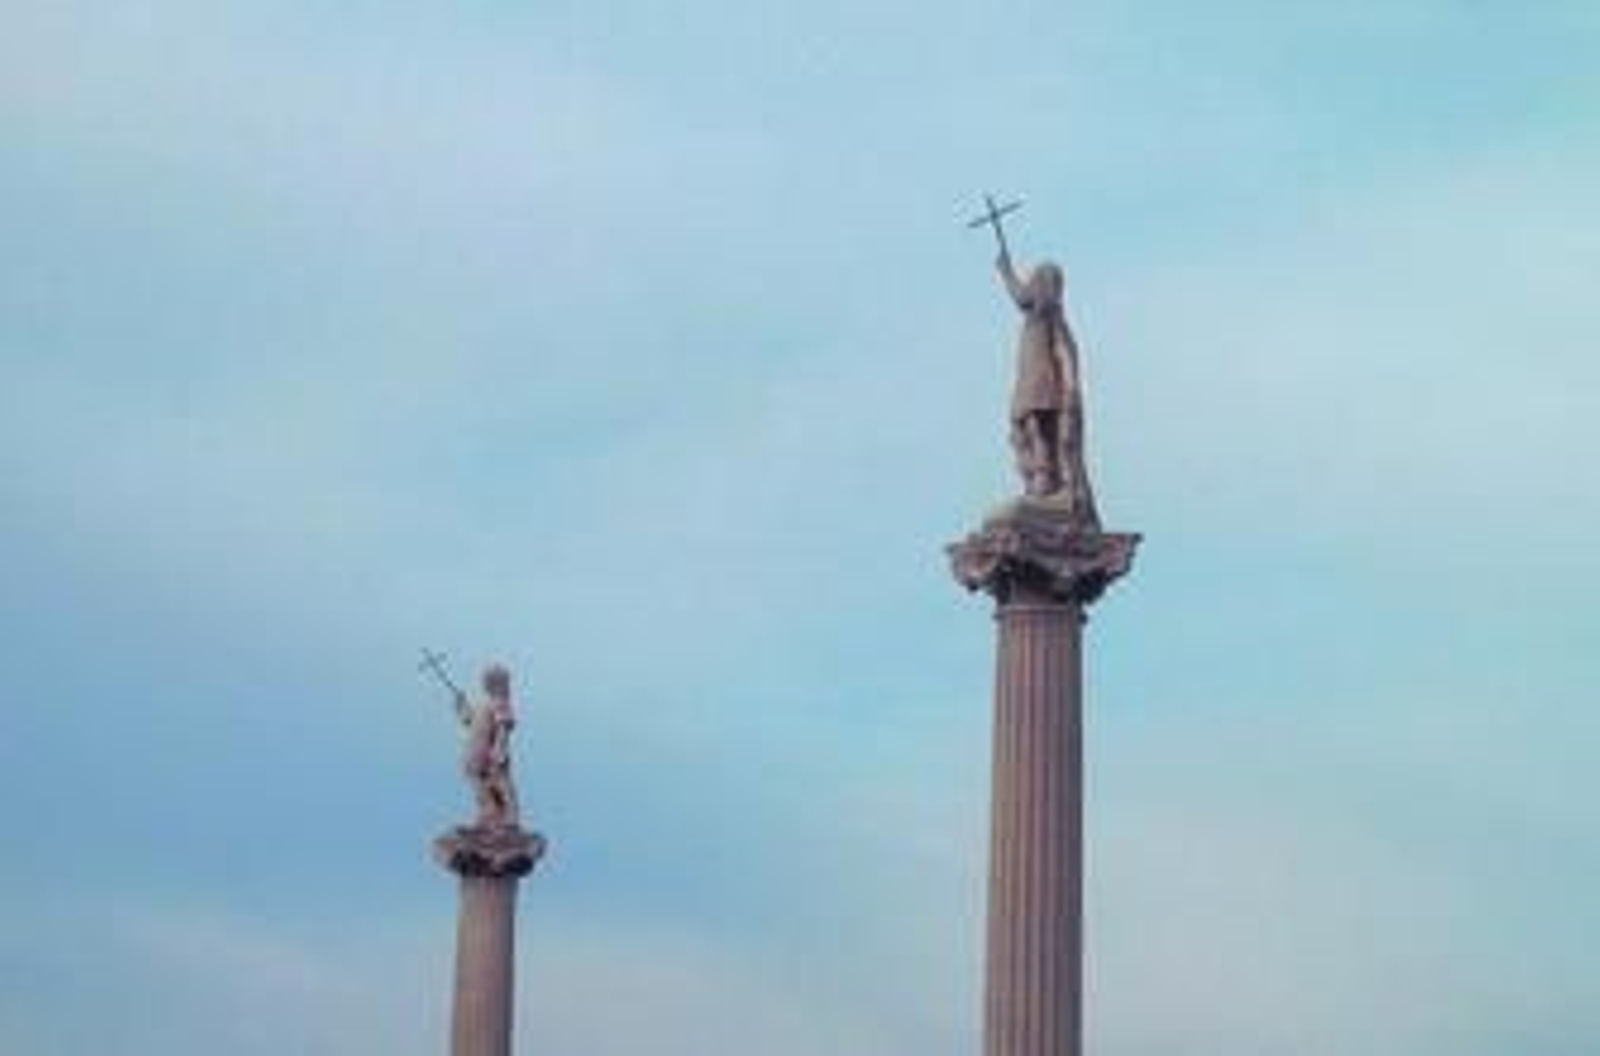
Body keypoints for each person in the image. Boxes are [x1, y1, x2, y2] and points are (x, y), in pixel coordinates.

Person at [996, 249, 1100, 529]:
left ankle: (1045, 479)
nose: (1033, 287)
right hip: (1028, 381)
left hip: (1045, 383)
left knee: (1039, 427)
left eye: (1038, 282)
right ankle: (1035, 477)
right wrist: (1006, 273)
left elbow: (1066, 353)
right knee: (1025, 429)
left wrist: (1071, 387)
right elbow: (1022, 300)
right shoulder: (1033, 319)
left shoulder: (1051, 317)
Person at [454, 664, 520, 827]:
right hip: (477, 751)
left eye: (489, 681)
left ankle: (510, 816)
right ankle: (488, 813)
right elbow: (470, 721)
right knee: (478, 781)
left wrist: (500, 747)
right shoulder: (484, 705)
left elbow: (503, 725)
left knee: (500, 782)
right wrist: (462, 706)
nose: (485, 685)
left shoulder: (500, 702)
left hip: (492, 752)